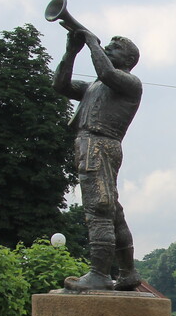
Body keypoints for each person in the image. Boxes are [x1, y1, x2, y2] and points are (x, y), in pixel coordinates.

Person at [52, 28, 143, 291]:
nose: (108, 49)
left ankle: (100, 274)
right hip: (93, 145)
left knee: (99, 209)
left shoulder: (129, 82)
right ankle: (128, 273)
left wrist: (92, 42)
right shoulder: (96, 86)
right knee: (112, 210)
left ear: (127, 59)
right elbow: (61, 85)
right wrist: (71, 52)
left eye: (115, 48)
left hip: (99, 145)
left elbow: (106, 72)